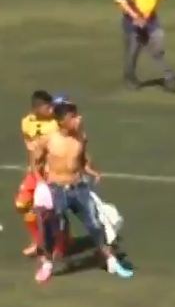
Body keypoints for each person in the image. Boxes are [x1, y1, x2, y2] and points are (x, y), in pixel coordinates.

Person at [31, 103, 133, 283]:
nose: (79, 119)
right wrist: (40, 182)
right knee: (51, 228)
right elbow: (35, 161)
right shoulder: (48, 140)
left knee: (95, 224)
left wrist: (92, 171)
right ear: (62, 121)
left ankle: (110, 260)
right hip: (56, 190)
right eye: (73, 117)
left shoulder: (80, 137)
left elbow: (83, 159)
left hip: (79, 188)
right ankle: (47, 263)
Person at [114, 0, 175, 92]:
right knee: (132, 53)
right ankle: (130, 79)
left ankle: (170, 78)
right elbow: (121, 2)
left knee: (158, 50)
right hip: (132, 23)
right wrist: (135, 17)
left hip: (151, 21)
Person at [16, 91, 58, 257]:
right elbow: (31, 148)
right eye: (48, 107)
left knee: (52, 209)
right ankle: (38, 241)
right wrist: (32, 167)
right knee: (22, 204)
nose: (51, 109)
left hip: (52, 172)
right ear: (37, 108)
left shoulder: (57, 122)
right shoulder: (26, 123)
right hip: (35, 171)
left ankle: (58, 242)